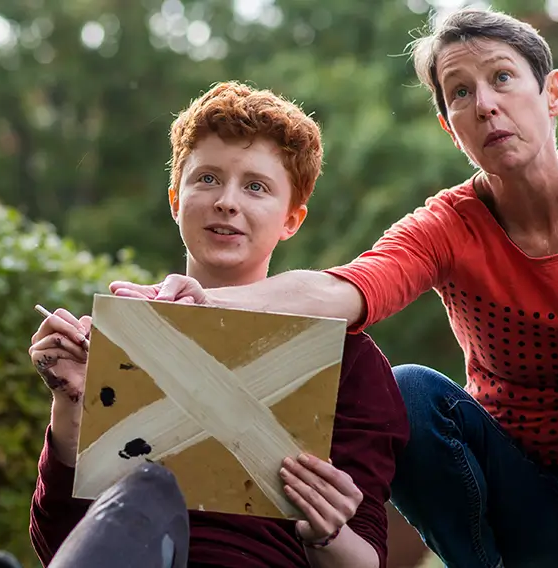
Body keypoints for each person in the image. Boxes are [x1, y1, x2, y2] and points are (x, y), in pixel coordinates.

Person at [109, 7, 558, 568]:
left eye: (502, 79)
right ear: (452, 130)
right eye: (460, 94)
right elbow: (345, 290)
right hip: (522, 495)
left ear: (552, 94)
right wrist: (201, 302)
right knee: (413, 390)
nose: (486, 106)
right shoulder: (450, 224)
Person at [27, 81, 411, 568]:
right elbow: (59, 546)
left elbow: (365, 561)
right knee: (150, 489)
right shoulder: (123, 334)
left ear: (292, 219)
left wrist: (326, 528)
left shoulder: (348, 359)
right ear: (175, 200)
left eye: (256, 186)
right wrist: (70, 407)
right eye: (207, 178)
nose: (227, 202)